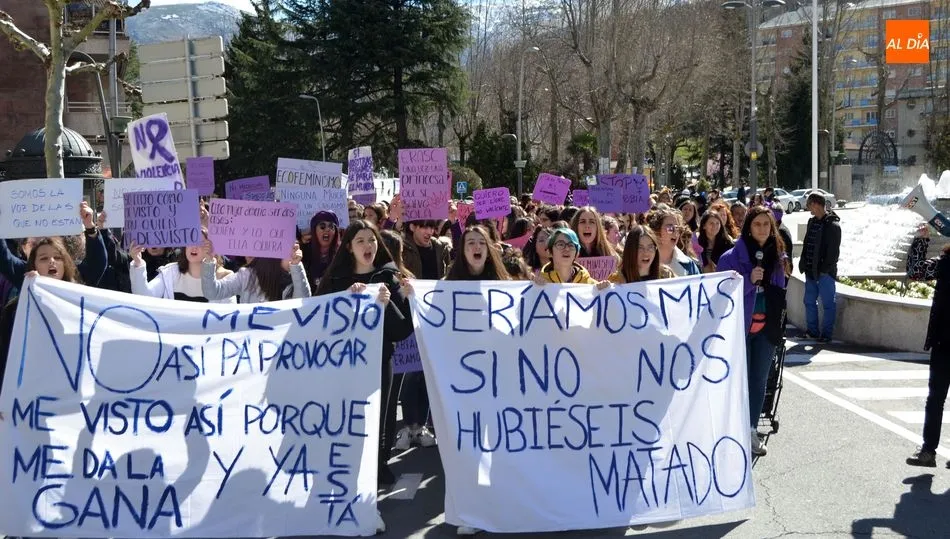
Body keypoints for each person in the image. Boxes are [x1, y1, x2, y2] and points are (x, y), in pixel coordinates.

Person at [315, 220, 414, 495]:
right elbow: (320, 319)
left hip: (380, 360)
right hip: (344, 363)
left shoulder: (389, 278)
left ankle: (379, 464)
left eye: (371, 240)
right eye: (360, 240)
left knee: (382, 413)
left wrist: (387, 305)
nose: (368, 245)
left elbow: (401, 330)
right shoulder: (335, 281)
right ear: (349, 247)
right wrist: (345, 299)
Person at [717, 206, 788, 457]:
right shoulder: (730, 258)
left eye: (766, 224)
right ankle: (732, 430)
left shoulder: (778, 257)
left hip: (767, 328)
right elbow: (722, 293)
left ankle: (751, 430)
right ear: (748, 227)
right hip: (739, 328)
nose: (762, 229)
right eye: (757, 224)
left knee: (759, 380)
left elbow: (779, 292)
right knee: (738, 381)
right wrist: (749, 280)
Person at [0, 238, 82, 395]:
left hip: (67, 390)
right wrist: (34, 292)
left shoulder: (78, 300)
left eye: (57, 257)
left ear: (65, 264)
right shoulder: (16, 309)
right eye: (44, 259)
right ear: (34, 266)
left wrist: (93, 231)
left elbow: (98, 263)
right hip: (29, 392)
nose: (52, 262)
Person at [904, 224, 950, 468]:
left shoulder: (945, 263)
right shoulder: (945, 263)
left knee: (935, 399)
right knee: (935, 399)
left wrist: (921, 242)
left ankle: (928, 451)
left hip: (944, 342)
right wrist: (921, 241)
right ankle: (928, 451)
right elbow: (915, 272)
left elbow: (914, 271)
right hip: (943, 342)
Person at [130, 231, 235, 303]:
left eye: (201, 243)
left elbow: (229, 317)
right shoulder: (170, 273)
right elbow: (143, 297)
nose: (194, 247)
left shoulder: (225, 279)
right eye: (191, 241)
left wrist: (209, 263)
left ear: (212, 249)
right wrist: (138, 263)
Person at [201, 243, 311, 302]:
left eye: (296, 248)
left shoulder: (295, 275)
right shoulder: (246, 276)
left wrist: (296, 266)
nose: (295, 253)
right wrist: (209, 262)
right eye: (291, 249)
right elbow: (212, 292)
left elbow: (303, 304)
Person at [799, 192, 841, 342]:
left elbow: (833, 253)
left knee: (828, 304)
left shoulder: (833, 225)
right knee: (809, 301)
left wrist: (824, 270)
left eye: (809, 204)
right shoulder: (812, 222)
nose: (807, 207)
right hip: (810, 271)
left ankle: (826, 335)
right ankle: (813, 331)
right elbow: (807, 244)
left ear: (816, 204)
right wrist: (803, 263)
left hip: (825, 274)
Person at [537, 228, 610, 287]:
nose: (567, 249)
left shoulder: (591, 285)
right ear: (549, 252)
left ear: (577, 253)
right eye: (560, 244)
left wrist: (604, 291)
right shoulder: (540, 285)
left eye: (571, 245)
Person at [608, 225, 674, 283]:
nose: (646, 253)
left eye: (650, 247)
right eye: (640, 248)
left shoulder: (666, 275)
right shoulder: (616, 280)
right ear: (630, 250)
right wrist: (604, 288)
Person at [647, 208, 701, 276]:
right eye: (670, 228)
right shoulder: (644, 261)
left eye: (677, 229)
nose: (675, 233)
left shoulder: (689, 265)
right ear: (657, 230)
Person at [303, 211, 340, 289]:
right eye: (322, 226)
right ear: (314, 230)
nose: (327, 229)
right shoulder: (304, 252)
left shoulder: (341, 254)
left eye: (331, 226)